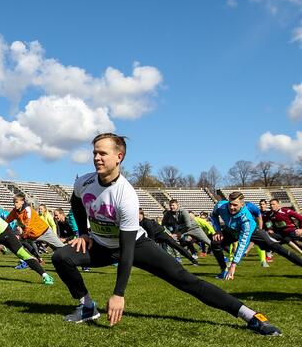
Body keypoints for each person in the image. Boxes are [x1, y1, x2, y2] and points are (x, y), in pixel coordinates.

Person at [51, 133, 281, 335]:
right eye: (94, 153)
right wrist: (83, 233)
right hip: (101, 245)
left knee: (185, 280)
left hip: (134, 245)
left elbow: (127, 249)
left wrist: (118, 293)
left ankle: (249, 315)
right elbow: (76, 202)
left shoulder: (126, 195)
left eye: (102, 153)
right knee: (61, 257)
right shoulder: (85, 181)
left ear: (119, 157)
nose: (96, 158)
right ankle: (87, 307)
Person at [209, 192, 302, 280]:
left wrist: (233, 265)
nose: (231, 207)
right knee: (215, 243)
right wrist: (217, 230)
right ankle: (223, 270)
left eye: (235, 205)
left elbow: (243, 242)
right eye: (230, 204)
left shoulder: (246, 220)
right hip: (231, 230)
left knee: (278, 248)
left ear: (242, 204)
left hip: (253, 232)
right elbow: (213, 215)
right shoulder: (220, 205)